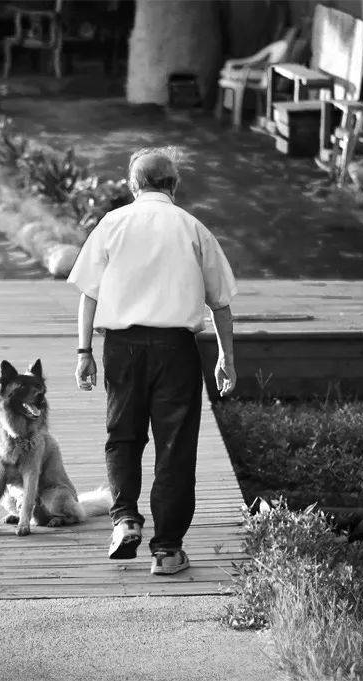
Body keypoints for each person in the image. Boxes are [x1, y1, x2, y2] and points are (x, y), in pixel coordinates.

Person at [67, 147, 238, 576]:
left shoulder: (112, 223)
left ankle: (125, 519)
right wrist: (226, 359)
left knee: (123, 436)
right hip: (176, 349)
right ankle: (166, 551)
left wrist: (84, 351)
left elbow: (88, 292)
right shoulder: (193, 228)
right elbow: (221, 303)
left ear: (133, 185)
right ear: (174, 185)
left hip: (122, 348)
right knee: (175, 449)